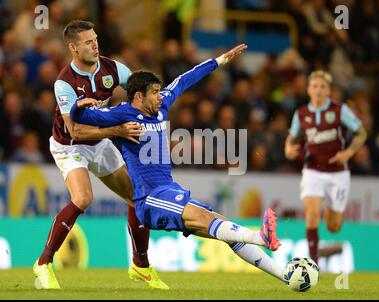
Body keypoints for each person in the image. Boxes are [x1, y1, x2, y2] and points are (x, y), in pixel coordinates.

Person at [70, 44, 288, 285]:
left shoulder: (161, 106)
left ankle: (286, 276)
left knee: (223, 227)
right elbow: (83, 119)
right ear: (139, 97)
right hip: (149, 199)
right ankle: (260, 236)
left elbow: (186, 79)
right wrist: (77, 106)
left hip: (170, 189)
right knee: (207, 217)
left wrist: (219, 61)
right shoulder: (120, 114)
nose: (160, 95)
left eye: (160, 90)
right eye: (154, 92)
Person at [33, 20, 168, 290]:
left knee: (137, 197)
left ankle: (141, 265)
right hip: (70, 145)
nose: (95, 45)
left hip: (102, 141)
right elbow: (76, 131)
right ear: (73, 47)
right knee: (83, 198)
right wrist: (117, 128)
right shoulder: (65, 83)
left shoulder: (113, 68)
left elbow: (137, 93)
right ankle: (43, 263)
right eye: (87, 42)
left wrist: (151, 102)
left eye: (95, 39)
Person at [284, 70, 367, 264]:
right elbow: (292, 137)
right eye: (314, 86)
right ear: (308, 90)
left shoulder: (339, 110)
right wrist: (288, 148)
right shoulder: (302, 114)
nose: (318, 90)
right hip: (312, 171)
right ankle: (314, 263)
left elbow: (361, 133)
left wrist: (348, 153)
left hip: (338, 173)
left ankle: (325, 241)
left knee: (333, 226)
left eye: (322, 86)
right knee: (312, 217)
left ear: (329, 90)